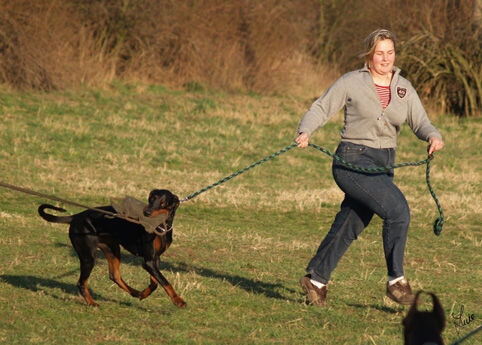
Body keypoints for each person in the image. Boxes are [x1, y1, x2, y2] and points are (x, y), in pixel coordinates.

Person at [296, 29, 444, 307]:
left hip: (383, 165)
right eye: (380, 53)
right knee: (398, 210)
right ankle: (396, 282)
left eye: (390, 52)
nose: (385, 58)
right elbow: (322, 107)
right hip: (352, 161)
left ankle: (315, 279)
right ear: (370, 55)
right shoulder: (351, 82)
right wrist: (306, 130)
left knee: (352, 221)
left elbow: (420, 121)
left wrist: (433, 136)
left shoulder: (403, 87)